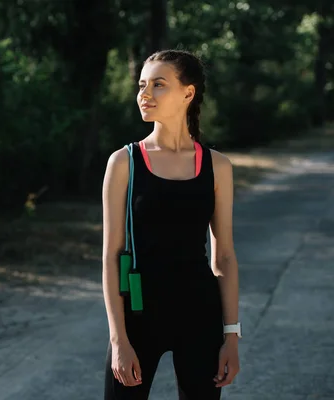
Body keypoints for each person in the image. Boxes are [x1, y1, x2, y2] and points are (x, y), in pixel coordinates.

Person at [101, 49, 241, 400]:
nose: (145, 95)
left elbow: (223, 257)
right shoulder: (124, 163)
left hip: (200, 316)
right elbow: (111, 255)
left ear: (187, 93)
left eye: (158, 85)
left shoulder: (217, 166)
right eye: (142, 85)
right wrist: (118, 340)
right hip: (138, 315)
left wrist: (231, 337)